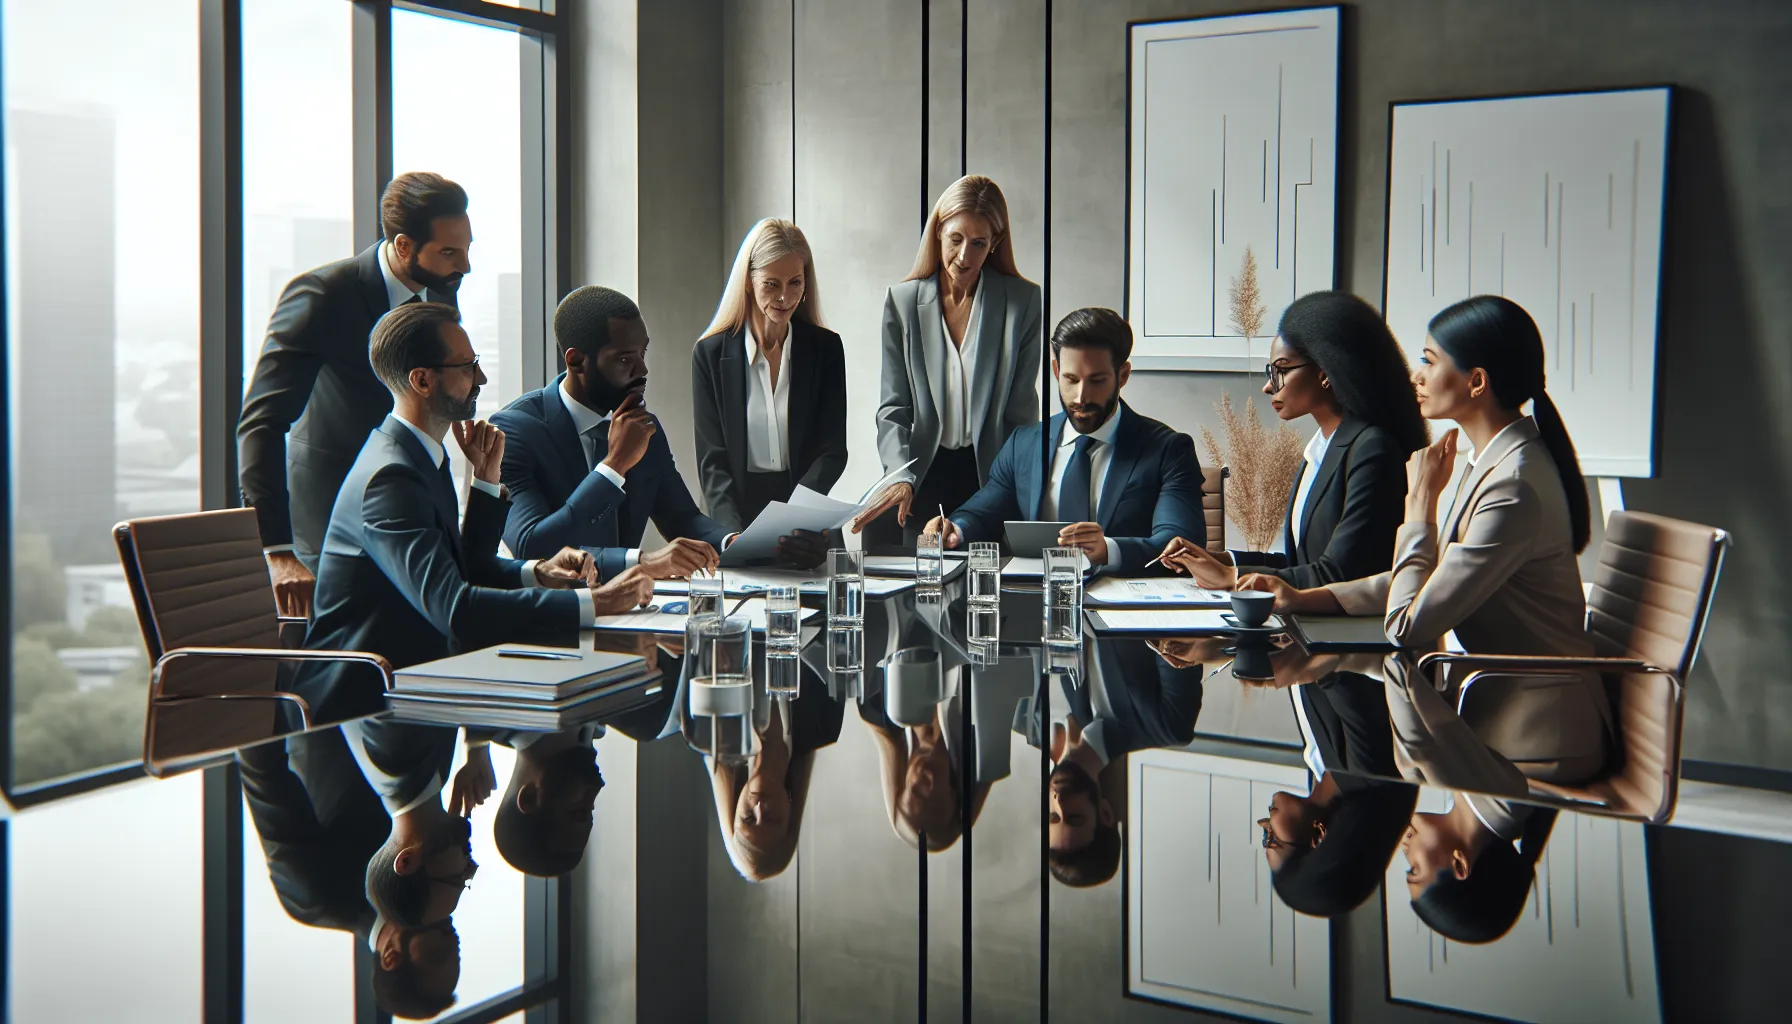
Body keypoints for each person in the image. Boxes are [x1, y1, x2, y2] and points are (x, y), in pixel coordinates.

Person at [295, 301, 655, 720]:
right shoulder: (389, 478)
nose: (481, 378)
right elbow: (456, 610)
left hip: (420, 692)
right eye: (467, 367)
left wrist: (534, 568)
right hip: (362, 714)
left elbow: (462, 569)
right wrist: (598, 603)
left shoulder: (420, 455)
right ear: (423, 381)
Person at [1238, 295, 1598, 682]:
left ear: (1476, 382)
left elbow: (1407, 626)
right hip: (1491, 695)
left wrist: (1420, 503)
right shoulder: (1499, 460)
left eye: (1429, 360)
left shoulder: (1512, 486)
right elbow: (1434, 579)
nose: (1417, 376)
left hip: (1522, 720)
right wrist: (1303, 598)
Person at [239, 172, 473, 617]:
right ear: (404, 246)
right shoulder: (323, 295)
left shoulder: (441, 292)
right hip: (327, 522)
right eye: (449, 252)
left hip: (409, 508)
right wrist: (277, 550)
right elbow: (263, 422)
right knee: (342, 658)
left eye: (466, 249)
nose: (464, 266)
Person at [1157, 290, 1428, 589]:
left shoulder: (1371, 449)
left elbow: (1342, 575)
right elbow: (1301, 563)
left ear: (1326, 372)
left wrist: (1232, 579)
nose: (1268, 387)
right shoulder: (1322, 447)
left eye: (1282, 370)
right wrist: (1221, 560)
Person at [923, 307, 1204, 574]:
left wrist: (1108, 550)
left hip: (1120, 610)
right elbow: (982, 515)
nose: (1081, 397)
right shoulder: (1023, 444)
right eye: (1070, 379)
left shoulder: (1168, 450)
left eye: (1096, 381)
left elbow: (1182, 544)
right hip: (1032, 604)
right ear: (1057, 371)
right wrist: (955, 529)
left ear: (1123, 375)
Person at [852, 175, 1044, 547]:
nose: (964, 256)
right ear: (938, 232)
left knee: (989, 592)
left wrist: (1012, 489)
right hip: (921, 474)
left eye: (978, 243)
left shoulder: (1021, 303)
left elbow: (1022, 416)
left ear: (995, 245)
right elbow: (893, 409)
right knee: (918, 591)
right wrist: (898, 476)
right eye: (955, 239)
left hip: (993, 476)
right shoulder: (903, 302)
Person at [494, 285, 730, 580]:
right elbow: (531, 547)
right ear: (576, 361)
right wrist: (614, 465)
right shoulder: (514, 430)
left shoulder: (642, 427)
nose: (642, 369)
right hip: (557, 616)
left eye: (643, 353)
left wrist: (732, 543)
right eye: (624, 359)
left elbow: (682, 518)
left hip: (634, 611)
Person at [691, 219, 848, 538]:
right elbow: (713, 464)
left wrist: (797, 515)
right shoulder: (709, 355)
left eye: (795, 283)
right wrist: (729, 536)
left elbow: (832, 450)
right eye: (771, 284)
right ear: (748, 281)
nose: (785, 297)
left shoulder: (826, 348)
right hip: (736, 523)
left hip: (807, 522)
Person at [1049, 640, 1206, 887]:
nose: (1059, 802)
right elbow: (1176, 620)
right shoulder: (1169, 725)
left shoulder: (1066, 713)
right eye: (1074, 817)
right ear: (1106, 814)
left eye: (1053, 816)